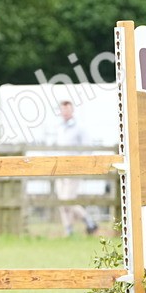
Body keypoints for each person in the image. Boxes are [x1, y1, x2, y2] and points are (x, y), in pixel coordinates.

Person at [50, 101, 97, 237]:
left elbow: (87, 148)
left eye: (67, 110)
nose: (65, 113)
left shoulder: (79, 128)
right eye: (63, 110)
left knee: (67, 201)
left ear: (72, 111)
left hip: (73, 169)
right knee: (62, 202)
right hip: (60, 169)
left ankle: (88, 220)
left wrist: (81, 165)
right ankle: (70, 230)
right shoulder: (59, 128)